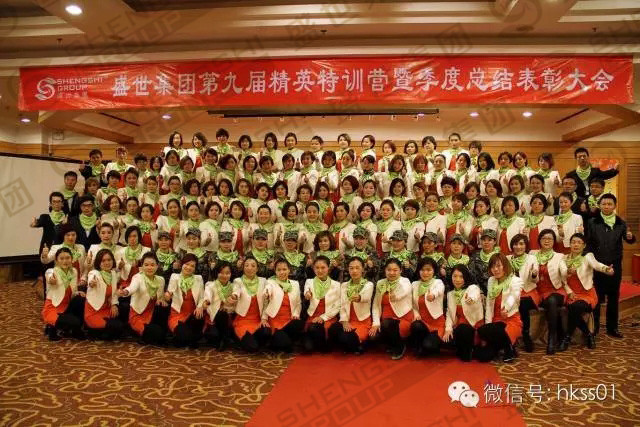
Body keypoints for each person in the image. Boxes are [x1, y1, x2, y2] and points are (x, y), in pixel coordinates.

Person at [586, 194, 636, 337]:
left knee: (613, 297)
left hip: (615, 263)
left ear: (614, 206)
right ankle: (594, 327)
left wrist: (631, 237)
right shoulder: (592, 222)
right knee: (596, 296)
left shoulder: (621, 223)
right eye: (604, 204)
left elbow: (629, 239)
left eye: (609, 204)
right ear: (599, 205)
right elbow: (588, 242)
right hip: (597, 264)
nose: (606, 206)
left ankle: (612, 328)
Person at [561, 233, 614, 350]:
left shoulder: (587, 257)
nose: (576, 245)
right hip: (570, 293)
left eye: (579, 242)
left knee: (575, 308)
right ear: (570, 244)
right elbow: (562, 278)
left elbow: (597, 265)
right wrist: (569, 291)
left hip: (586, 294)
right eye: (573, 242)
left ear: (584, 245)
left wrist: (606, 269)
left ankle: (567, 337)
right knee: (573, 308)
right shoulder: (564, 258)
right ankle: (589, 334)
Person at [476, 253, 522, 363]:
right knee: (483, 356)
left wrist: (506, 308)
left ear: (505, 265)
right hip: (496, 321)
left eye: (498, 266)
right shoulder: (491, 280)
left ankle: (508, 348)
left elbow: (514, 296)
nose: (495, 270)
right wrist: (488, 326)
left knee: (495, 329)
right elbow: (489, 304)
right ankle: (505, 345)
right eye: (492, 267)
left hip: (510, 320)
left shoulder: (515, 280)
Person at [533, 229, 570, 354]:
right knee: (550, 302)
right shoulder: (532, 255)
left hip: (556, 290)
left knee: (552, 300)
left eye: (550, 238)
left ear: (554, 241)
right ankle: (561, 336)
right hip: (538, 292)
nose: (547, 241)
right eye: (544, 238)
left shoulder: (559, 256)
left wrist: (568, 271)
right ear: (539, 241)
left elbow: (563, 270)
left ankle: (551, 339)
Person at [119, 253, 169, 346]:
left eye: (152, 265)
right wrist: (125, 291)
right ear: (142, 266)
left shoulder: (160, 280)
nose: (149, 268)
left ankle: (152, 334)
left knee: (161, 332)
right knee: (156, 334)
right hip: (138, 314)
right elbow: (132, 288)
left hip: (153, 313)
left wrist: (162, 300)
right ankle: (138, 332)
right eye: (146, 265)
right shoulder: (137, 277)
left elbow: (161, 297)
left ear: (157, 266)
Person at [370, 258, 413, 360]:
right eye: (389, 270)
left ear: (400, 270)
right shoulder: (380, 283)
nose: (392, 273)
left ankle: (400, 346)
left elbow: (405, 291)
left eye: (395, 270)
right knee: (373, 337)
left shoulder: (405, 281)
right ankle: (392, 342)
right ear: (385, 270)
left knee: (387, 324)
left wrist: (396, 296)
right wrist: (376, 323)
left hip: (403, 318)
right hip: (385, 320)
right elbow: (376, 305)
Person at [42, 247, 85, 341]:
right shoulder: (52, 271)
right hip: (53, 307)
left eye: (67, 258)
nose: (65, 261)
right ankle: (52, 328)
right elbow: (49, 276)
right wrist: (51, 279)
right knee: (75, 322)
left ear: (71, 259)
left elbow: (73, 291)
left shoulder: (74, 271)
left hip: (66, 306)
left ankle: (74, 331)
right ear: (56, 260)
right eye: (61, 258)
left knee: (80, 298)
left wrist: (78, 293)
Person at [443, 265, 483, 362]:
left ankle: (470, 349)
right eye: (455, 276)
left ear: (466, 277)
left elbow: (475, 293)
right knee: (444, 340)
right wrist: (448, 329)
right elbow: (449, 313)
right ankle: (466, 349)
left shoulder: (472, 288)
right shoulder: (450, 294)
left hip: (473, 326)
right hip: (458, 326)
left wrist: (472, 298)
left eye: (461, 276)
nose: (457, 279)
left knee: (463, 329)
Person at [262, 259, 304, 352]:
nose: (282, 272)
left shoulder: (295, 284)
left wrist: (296, 314)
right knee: (287, 347)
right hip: (276, 320)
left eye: (284, 269)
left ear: (289, 270)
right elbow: (267, 291)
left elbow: (298, 303)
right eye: (279, 270)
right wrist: (264, 318)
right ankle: (278, 337)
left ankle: (282, 337)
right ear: (275, 271)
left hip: (289, 319)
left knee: (299, 324)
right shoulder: (271, 282)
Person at [302, 257, 341, 352]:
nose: (320, 270)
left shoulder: (336, 285)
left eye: (323, 267)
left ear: (328, 268)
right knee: (308, 348)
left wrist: (323, 317)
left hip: (329, 317)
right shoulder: (309, 282)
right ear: (313, 268)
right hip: (313, 317)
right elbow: (306, 290)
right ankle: (320, 341)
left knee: (326, 344)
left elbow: (338, 306)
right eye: (317, 268)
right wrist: (307, 294)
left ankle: (324, 342)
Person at [165, 254, 205, 348]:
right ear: (182, 264)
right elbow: (169, 292)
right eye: (187, 264)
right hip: (177, 314)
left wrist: (200, 306)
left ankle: (187, 339)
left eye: (192, 266)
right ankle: (188, 338)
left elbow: (202, 297)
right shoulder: (175, 277)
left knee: (198, 323)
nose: (189, 267)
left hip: (192, 315)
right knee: (185, 335)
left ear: (195, 268)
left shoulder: (198, 279)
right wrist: (167, 295)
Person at [231, 257, 270, 353]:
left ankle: (249, 339)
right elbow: (236, 290)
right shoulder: (238, 281)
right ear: (243, 268)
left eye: (253, 266)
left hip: (258, 320)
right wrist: (234, 296)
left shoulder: (263, 281)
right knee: (253, 348)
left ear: (257, 269)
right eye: (246, 265)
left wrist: (264, 318)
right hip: (243, 320)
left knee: (266, 332)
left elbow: (266, 303)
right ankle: (238, 338)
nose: (249, 268)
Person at [508, 234, 539, 352]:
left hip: (528, 292)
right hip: (512, 293)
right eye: (515, 244)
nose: (518, 247)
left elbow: (535, 280)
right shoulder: (507, 259)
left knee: (522, 303)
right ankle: (510, 338)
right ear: (512, 246)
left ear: (526, 246)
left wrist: (534, 274)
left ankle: (525, 335)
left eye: (521, 244)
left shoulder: (531, 258)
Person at [85, 249, 123, 340]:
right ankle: (93, 331)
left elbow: (114, 293)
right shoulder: (94, 273)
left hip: (106, 308)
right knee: (116, 328)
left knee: (120, 325)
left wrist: (114, 304)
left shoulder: (113, 273)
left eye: (109, 260)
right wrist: (91, 283)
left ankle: (101, 332)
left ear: (113, 261)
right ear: (98, 263)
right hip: (94, 311)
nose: (107, 263)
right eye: (103, 261)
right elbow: (90, 281)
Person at [338, 257, 374, 354]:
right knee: (335, 332)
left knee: (345, 338)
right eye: (351, 268)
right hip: (349, 320)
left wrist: (359, 297)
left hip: (362, 321)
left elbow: (366, 297)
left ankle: (360, 344)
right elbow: (342, 305)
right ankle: (356, 345)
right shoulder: (344, 285)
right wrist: (344, 321)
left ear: (363, 269)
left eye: (357, 268)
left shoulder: (368, 284)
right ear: (348, 269)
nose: (354, 271)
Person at [410, 258, 445, 357]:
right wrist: (416, 314)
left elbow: (439, 290)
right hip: (422, 322)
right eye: (422, 270)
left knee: (429, 346)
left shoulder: (438, 282)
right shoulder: (414, 284)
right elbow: (412, 304)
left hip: (436, 322)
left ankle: (430, 343)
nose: (425, 273)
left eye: (429, 270)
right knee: (415, 325)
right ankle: (419, 345)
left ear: (434, 271)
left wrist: (433, 295)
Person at [198, 261, 236, 350]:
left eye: (227, 273)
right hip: (215, 315)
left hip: (231, 315)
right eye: (221, 273)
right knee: (213, 335)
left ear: (231, 274)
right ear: (216, 273)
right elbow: (208, 296)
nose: (224, 275)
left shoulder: (233, 286)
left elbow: (236, 297)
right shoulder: (211, 285)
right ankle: (224, 338)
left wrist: (233, 298)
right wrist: (206, 302)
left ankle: (224, 338)